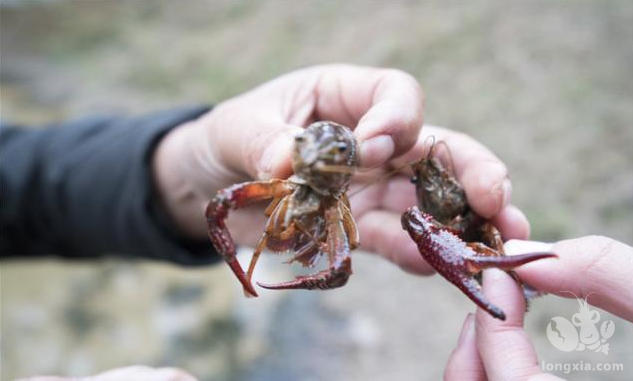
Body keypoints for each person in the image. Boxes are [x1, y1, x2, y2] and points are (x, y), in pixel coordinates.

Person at [3, 65, 631, 381]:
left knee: (338, 257)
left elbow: (20, 181)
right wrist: (249, 266)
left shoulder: (329, 201)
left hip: (328, 177)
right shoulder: (300, 194)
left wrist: (186, 164)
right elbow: (226, 209)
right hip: (316, 178)